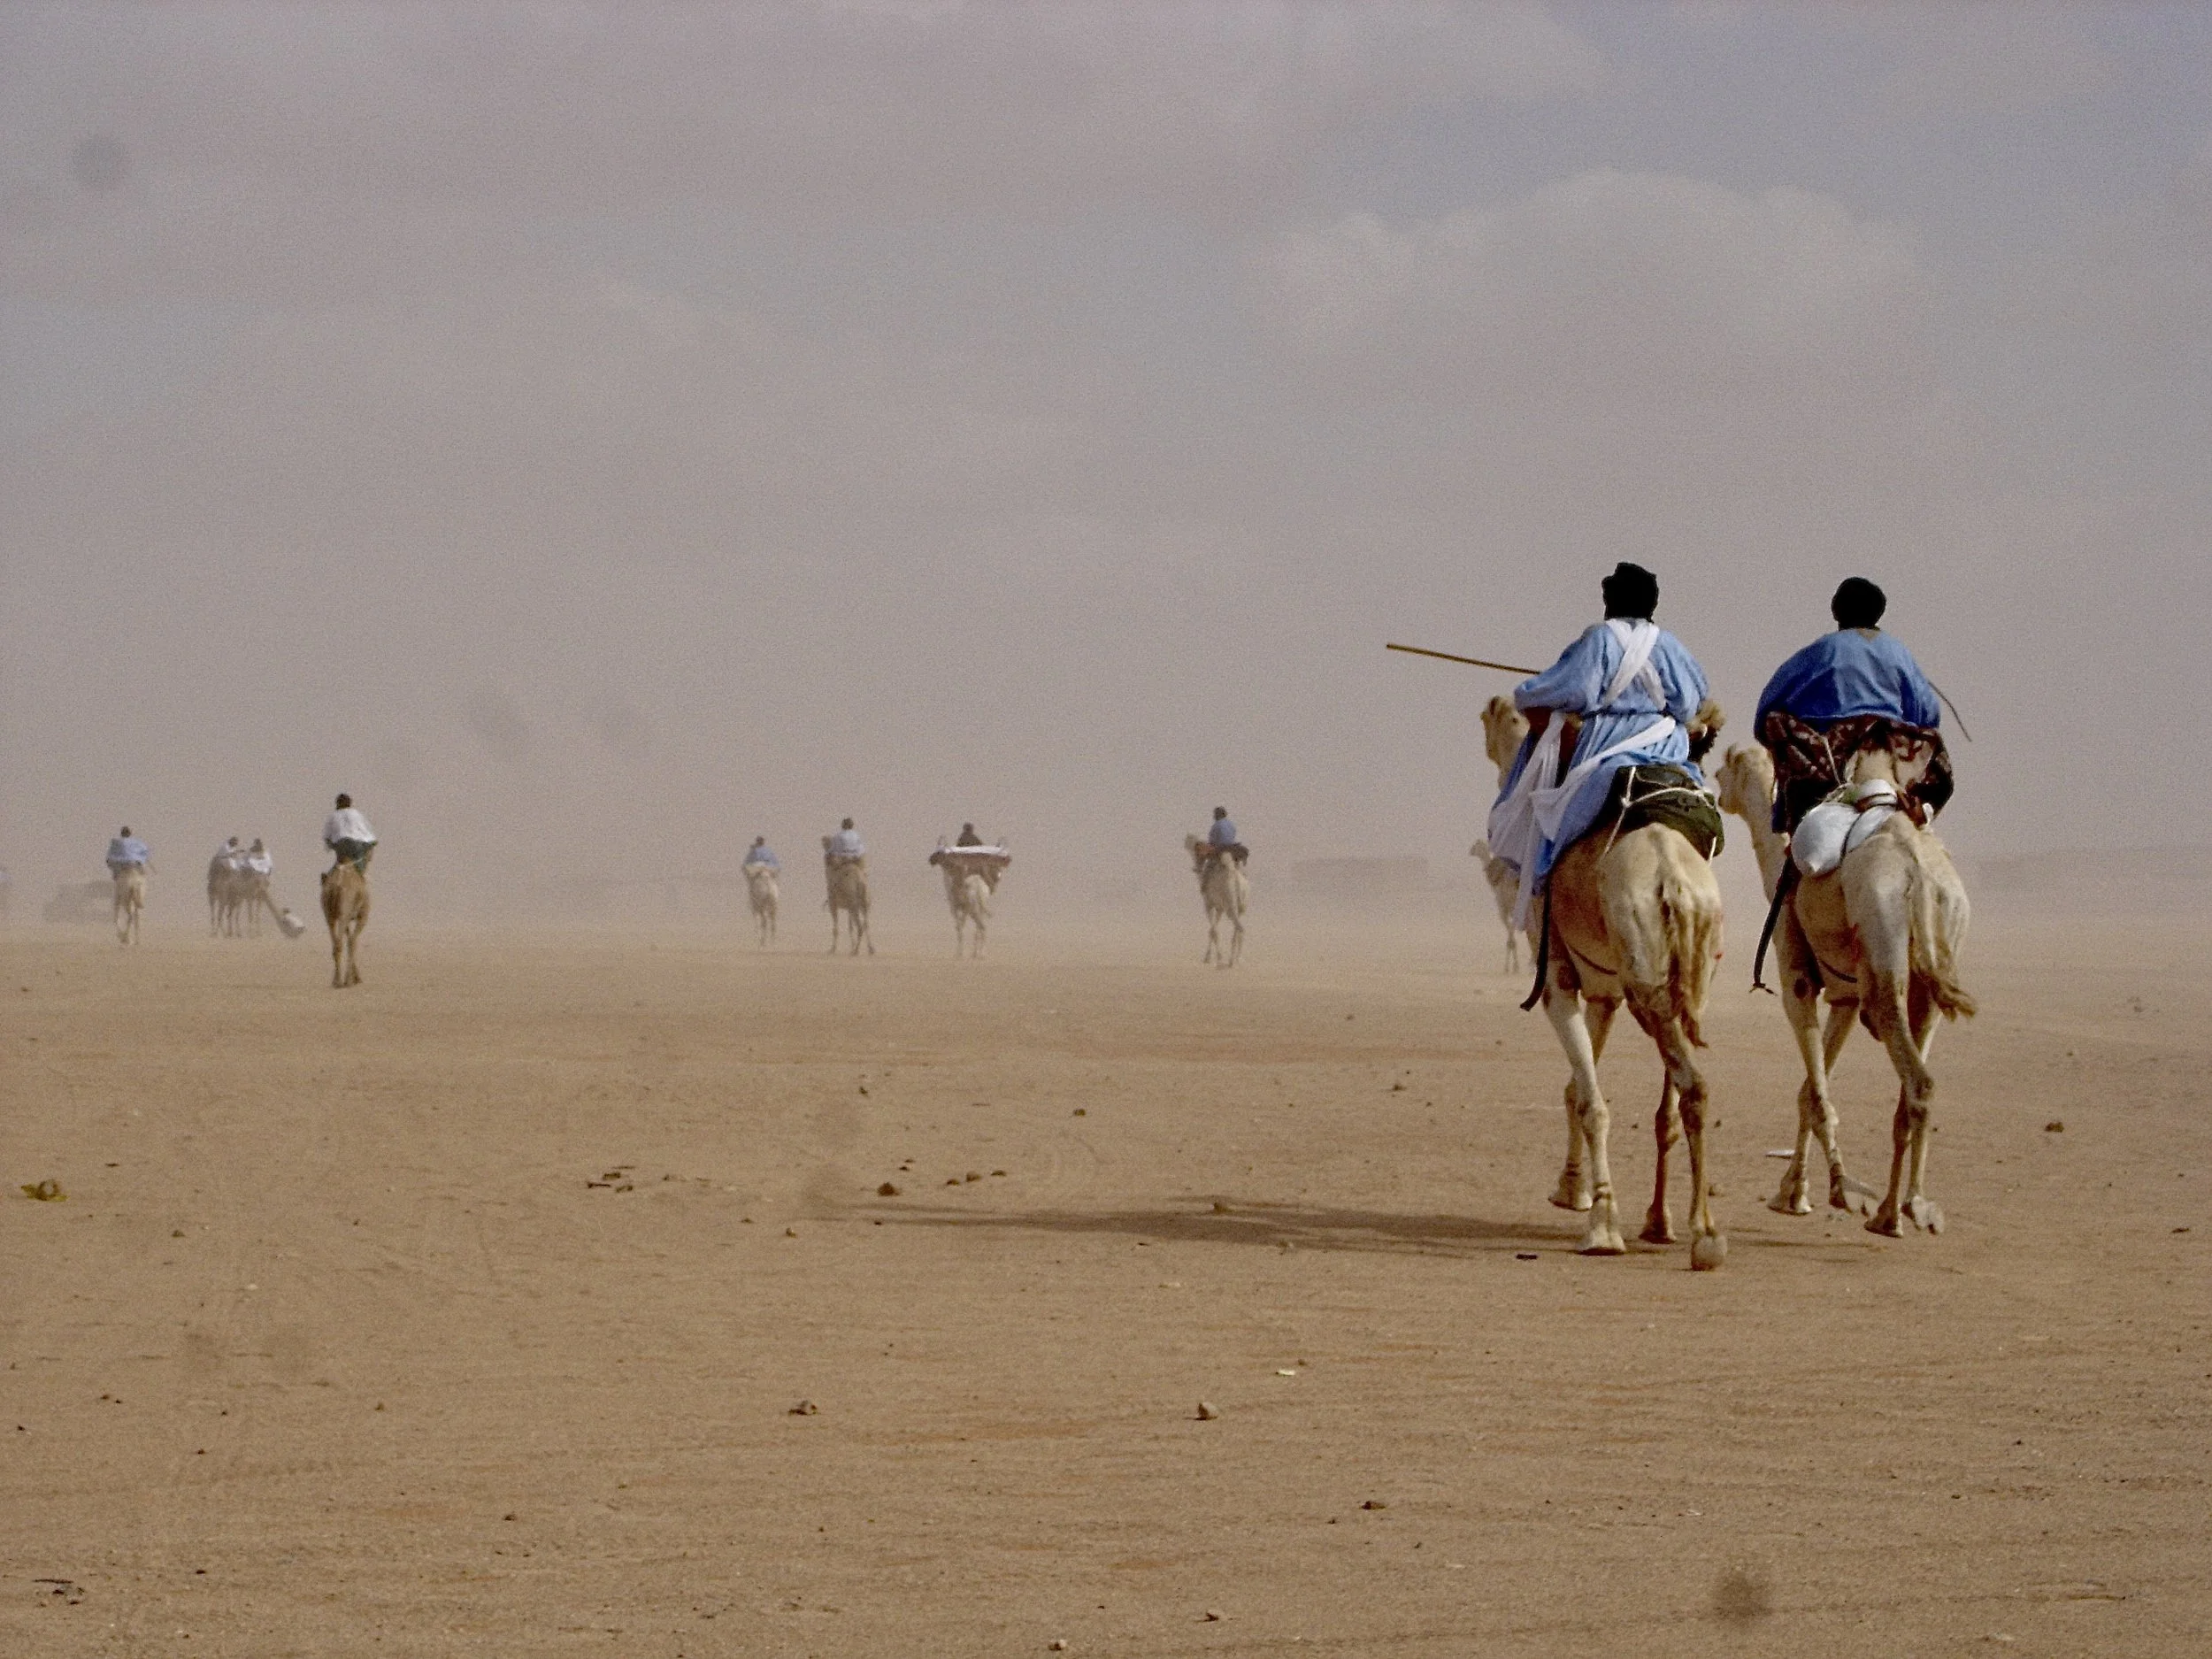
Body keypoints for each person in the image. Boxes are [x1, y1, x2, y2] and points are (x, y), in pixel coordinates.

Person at [1485, 562, 1711, 927]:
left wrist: (1530, 688)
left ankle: (1548, 901)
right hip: (1666, 749)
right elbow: (1690, 701)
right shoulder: (1671, 646)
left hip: (1607, 748)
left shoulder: (1599, 639)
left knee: (1554, 820)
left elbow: (1568, 691)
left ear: (1612, 600)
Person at [1755, 578, 1950, 833]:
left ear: (1836, 609)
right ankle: (1920, 808)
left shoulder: (1820, 651)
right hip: (1888, 746)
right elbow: (1927, 713)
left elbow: (1768, 706)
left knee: (1776, 722)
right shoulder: (1898, 652)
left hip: (1829, 754)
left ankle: (1796, 839)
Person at [324, 794, 377, 872]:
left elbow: (327, 836)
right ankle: (360, 874)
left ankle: (329, 875)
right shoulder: (357, 814)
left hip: (341, 844)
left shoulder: (333, 816)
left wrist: (331, 846)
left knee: (339, 863)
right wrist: (372, 843)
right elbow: (367, 831)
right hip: (358, 844)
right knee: (360, 863)